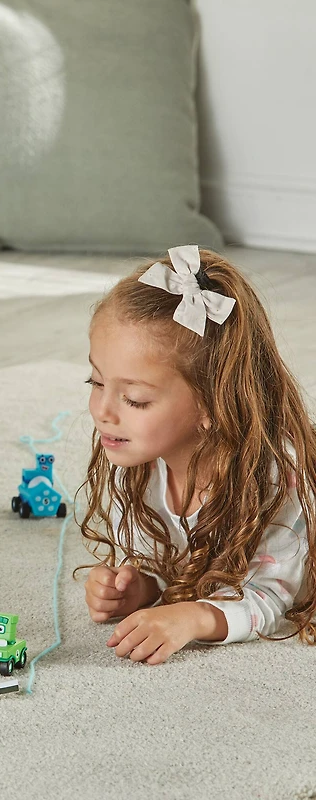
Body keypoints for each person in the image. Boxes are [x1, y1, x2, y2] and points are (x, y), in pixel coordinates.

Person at [81, 245, 316, 664]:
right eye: (96, 382)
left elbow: (270, 598)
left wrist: (192, 618)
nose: (103, 411)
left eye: (134, 399)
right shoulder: (133, 460)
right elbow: (179, 562)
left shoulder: (275, 477)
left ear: (211, 404)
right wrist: (144, 586)